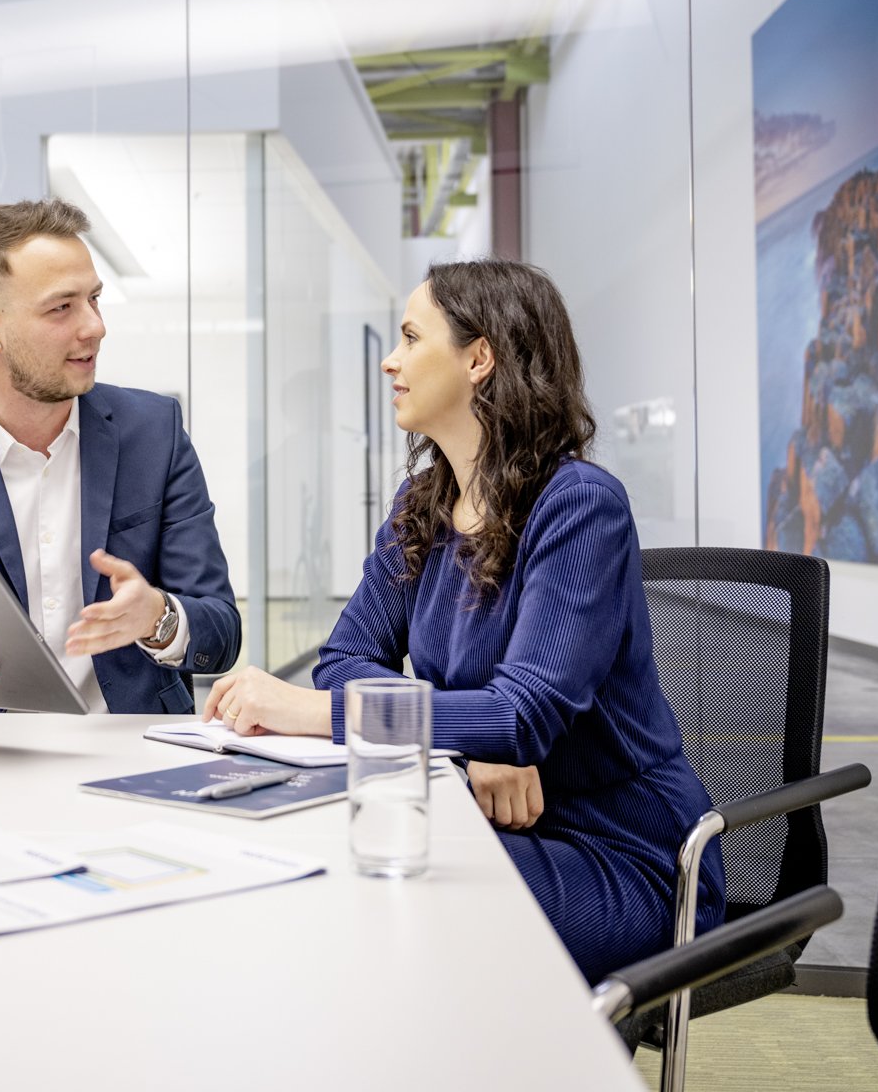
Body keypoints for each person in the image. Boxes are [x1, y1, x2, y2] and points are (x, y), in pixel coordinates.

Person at [202, 259, 723, 981]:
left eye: (412, 338)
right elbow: (347, 659)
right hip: (481, 814)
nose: (390, 360)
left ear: (479, 359)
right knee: (351, 864)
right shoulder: (422, 503)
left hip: (622, 858)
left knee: (379, 893)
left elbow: (520, 715)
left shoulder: (579, 506)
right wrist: (473, 745)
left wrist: (316, 713)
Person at [0, 199, 242, 725]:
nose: (95, 327)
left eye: (94, 299)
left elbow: (221, 633)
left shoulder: (155, 433)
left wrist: (158, 618)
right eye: (62, 307)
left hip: (132, 747)